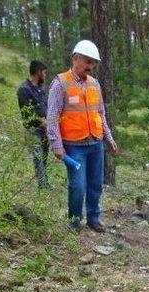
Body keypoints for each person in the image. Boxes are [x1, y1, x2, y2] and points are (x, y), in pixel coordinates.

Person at [47, 40, 119, 232]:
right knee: (78, 186)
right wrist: (56, 145)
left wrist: (109, 139)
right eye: (87, 61)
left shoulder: (95, 84)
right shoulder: (60, 83)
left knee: (95, 184)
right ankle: (74, 221)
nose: (91, 66)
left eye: (93, 63)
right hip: (74, 146)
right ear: (75, 58)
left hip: (95, 144)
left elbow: (101, 114)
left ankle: (93, 219)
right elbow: (52, 117)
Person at [17, 60, 50, 189]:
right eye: (44, 72)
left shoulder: (41, 89)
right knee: (38, 157)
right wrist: (42, 122)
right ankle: (42, 184)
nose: (45, 75)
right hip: (33, 130)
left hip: (45, 130)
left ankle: (44, 181)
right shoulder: (24, 90)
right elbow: (27, 113)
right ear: (38, 72)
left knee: (44, 156)